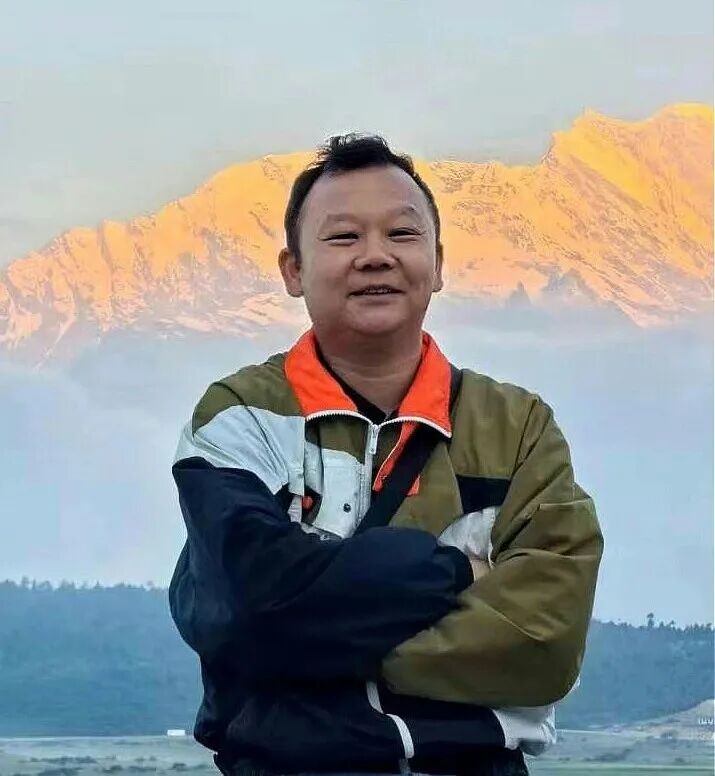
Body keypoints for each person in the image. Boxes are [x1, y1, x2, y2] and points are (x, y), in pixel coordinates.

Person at [168, 134, 604, 776]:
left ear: (438, 262)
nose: (376, 256)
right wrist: (456, 573)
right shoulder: (240, 416)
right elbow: (249, 607)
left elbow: (544, 642)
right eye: (344, 237)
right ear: (293, 270)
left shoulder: (518, 428)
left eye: (402, 234)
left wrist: (298, 646)